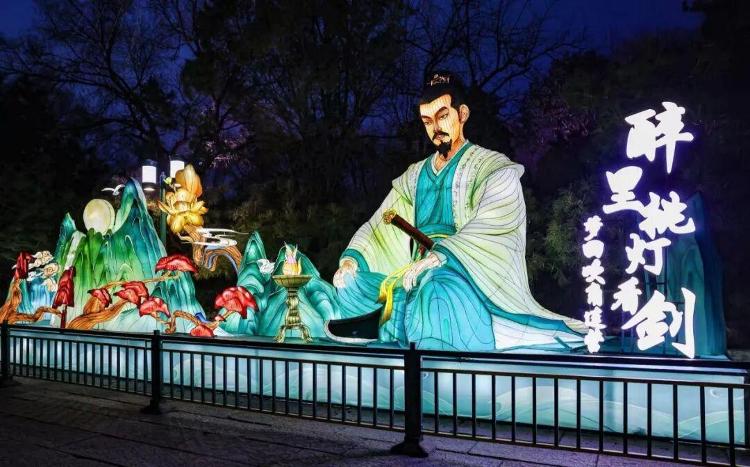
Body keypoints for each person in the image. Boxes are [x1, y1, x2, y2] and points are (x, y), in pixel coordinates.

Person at [328, 71, 586, 351]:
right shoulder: (414, 176)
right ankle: (386, 323)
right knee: (350, 285)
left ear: (462, 114)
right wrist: (352, 261)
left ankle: (402, 337)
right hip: (412, 272)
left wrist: (440, 256)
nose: (435, 128)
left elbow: (494, 222)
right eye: (427, 121)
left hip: (459, 272)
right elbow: (379, 225)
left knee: (434, 290)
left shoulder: (489, 166)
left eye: (442, 116)